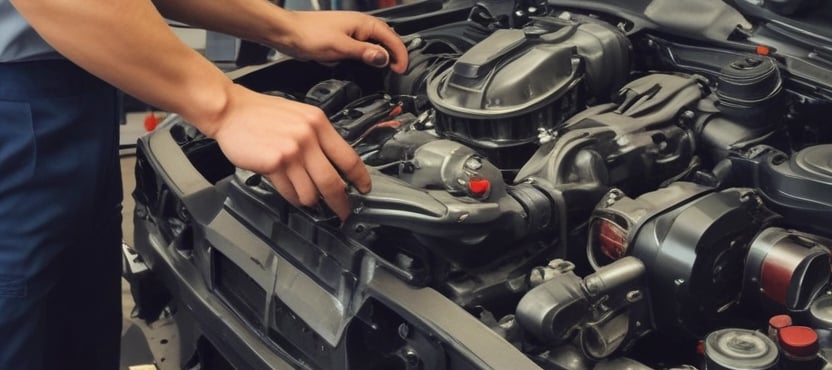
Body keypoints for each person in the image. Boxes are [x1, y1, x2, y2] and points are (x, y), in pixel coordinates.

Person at [0, 0, 408, 367]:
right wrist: (226, 105)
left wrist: (286, 26)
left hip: (84, 75)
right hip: (16, 105)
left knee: (69, 327)